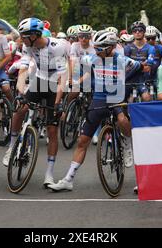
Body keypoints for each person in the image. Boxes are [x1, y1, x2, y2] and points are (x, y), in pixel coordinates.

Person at [48, 29, 143, 192]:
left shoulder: (122, 59)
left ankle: (128, 146)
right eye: (96, 47)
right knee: (82, 141)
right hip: (98, 99)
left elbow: (140, 68)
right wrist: (75, 81)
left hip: (116, 98)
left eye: (100, 48)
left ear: (110, 47)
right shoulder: (90, 58)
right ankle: (68, 179)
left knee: (122, 120)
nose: (96, 51)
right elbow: (77, 68)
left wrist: (126, 84)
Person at [6, 17, 68, 188]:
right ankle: (11, 147)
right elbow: (24, 68)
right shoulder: (28, 45)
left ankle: (49, 174)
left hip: (56, 84)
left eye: (24, 35)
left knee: (52, 130)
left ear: (34, 35)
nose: (21, 39)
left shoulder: (57, 47)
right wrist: (20, 91)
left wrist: (57, 103)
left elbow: (63, 77)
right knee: (19, 109)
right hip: (40, 80)